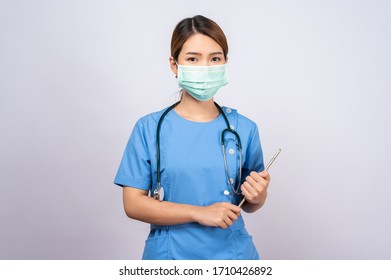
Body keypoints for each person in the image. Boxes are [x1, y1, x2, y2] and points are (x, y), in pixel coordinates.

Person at [114, 15, 270, 260]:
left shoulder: (244, 128)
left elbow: (249, 202)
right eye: (193, 59)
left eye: (214, 59)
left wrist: (259, 197)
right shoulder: (148, 128)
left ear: (225, 62)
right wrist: (200, 213)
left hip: (233, 256)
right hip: (170, 256)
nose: (205, 68)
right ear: (174, 65)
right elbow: (132, 204)